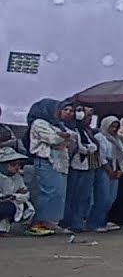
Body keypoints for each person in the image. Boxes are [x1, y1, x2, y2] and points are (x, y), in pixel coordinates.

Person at [25, 99, 75, 236]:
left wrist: (63, 136)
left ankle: (51, 221)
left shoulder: (58, 125)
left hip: (60, 162)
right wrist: (63, 137)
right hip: (45, 160)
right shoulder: (38, 123)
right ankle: (38, 222)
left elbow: (72, 137)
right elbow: (53, 139)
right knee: (48, 192)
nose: (57, 112)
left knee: (59, 194)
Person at [61, 105, 98, 233]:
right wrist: (80, 148)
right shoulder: (66, 127)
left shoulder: (86, 130)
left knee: (83, 197)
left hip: (87, 166)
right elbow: (72, 143)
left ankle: (77, 223)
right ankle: (65, 222)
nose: (84, 116)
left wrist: (90, 147)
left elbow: (92, 144)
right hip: (73, 165)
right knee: (70, 195)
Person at [88, 116, 123, 233]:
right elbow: (101, 155)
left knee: (111, 198)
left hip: (116, 167)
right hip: (103, 168)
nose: (114, 129)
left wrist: (120, 169)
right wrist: (109, 170)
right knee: (102, 197)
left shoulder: (117, 139)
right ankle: (94, 223)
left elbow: (121, 155)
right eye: (112, 126)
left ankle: (103, 221)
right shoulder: (100, 137)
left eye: (116, 127)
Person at [0, 147, 34, 235]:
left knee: (26, 206)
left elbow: (26, 195)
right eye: (13, 164)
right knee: (7, 206)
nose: (17, 167)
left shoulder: (18, 177)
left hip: (12, 202)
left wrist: (15, 196)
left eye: (19, 164)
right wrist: (6, 196)